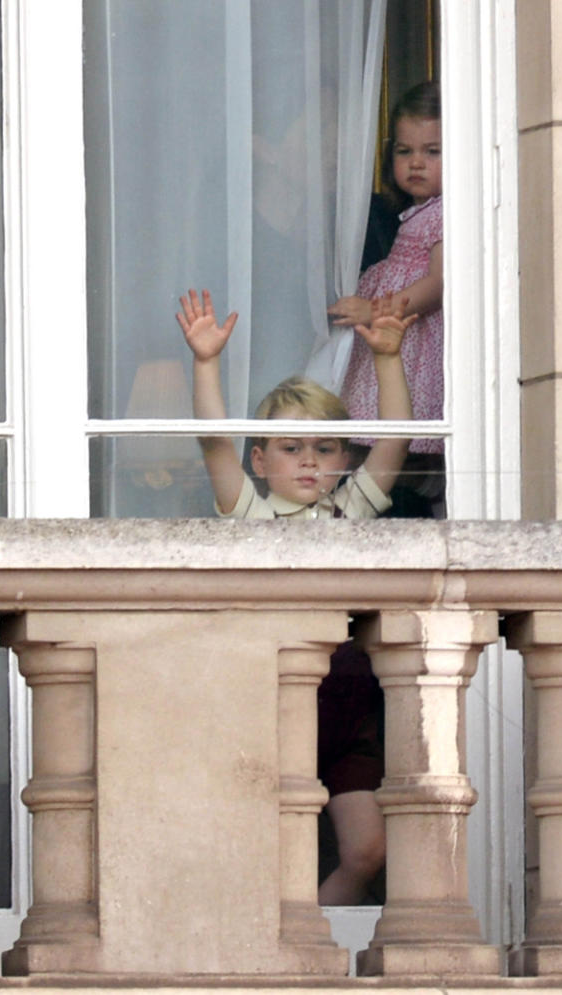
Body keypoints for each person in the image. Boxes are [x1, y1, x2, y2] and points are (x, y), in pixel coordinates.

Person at [177, 286, 416, 904]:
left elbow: (393, 444)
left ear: (342, 457)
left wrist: (388, 358)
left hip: (350, 700)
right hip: (273, 698)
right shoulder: (251, 512)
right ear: (261, 458)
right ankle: (280, 950)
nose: (308, 462)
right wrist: (206, 363)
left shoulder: (350, 508)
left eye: (324, 448)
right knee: (270, 844)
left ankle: (323, 938)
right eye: (291, 448)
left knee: (368, 851)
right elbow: (213, 444)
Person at [327, 80, 444, 516]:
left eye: (433, 152)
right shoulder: (415, 213)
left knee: (407, 422)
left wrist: (376, 310)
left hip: (413, 338)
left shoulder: (447, 212)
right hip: (397, 337)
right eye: (404, 151)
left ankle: (424, 479)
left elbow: (437, 283)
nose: (416, 163)